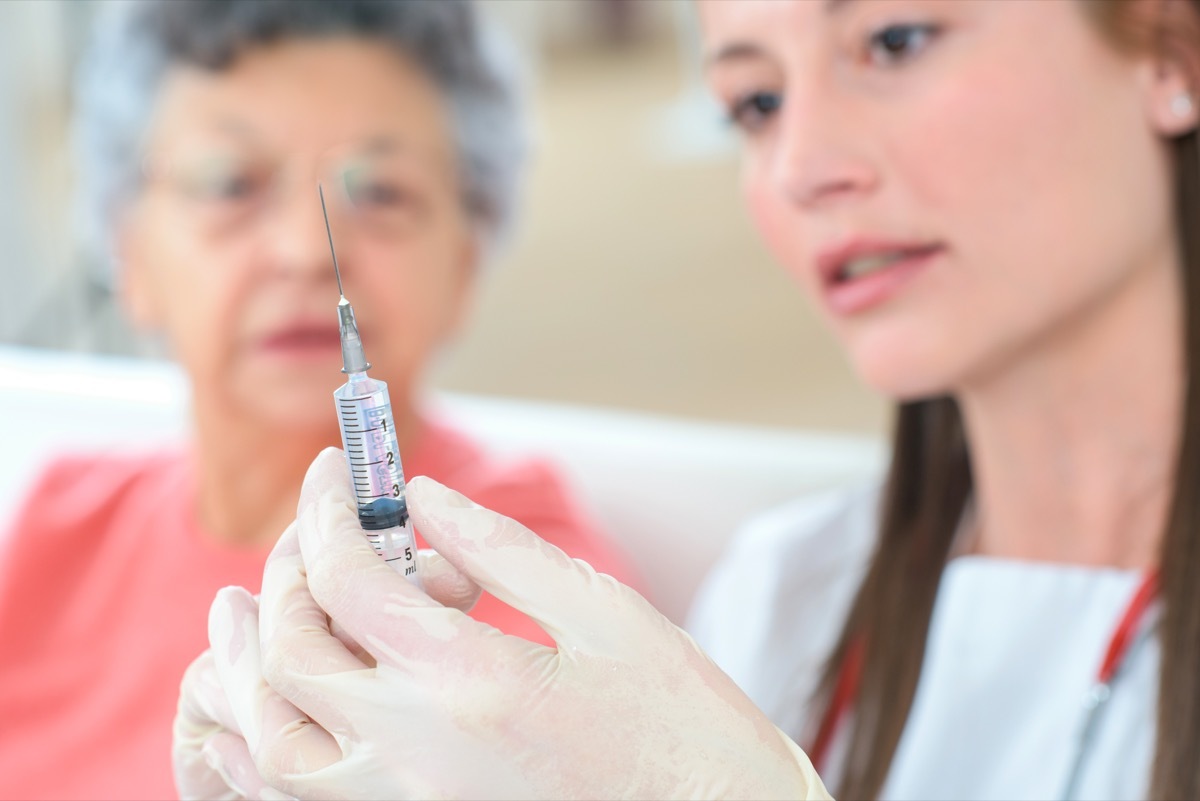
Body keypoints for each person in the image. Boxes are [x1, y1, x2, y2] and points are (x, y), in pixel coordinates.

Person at [174, 0, 1200, 799]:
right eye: (755, 104)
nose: (801, 167)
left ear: (1169, 48)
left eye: (893, 40)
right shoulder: (788, 600)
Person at [0, 2, 638, 800]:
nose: (306, 251)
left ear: (465, 261)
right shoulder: (64, 525)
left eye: (381, 192)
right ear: (127, 252)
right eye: (231, 183)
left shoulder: (530, 584)